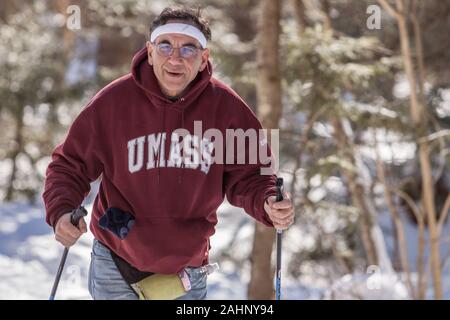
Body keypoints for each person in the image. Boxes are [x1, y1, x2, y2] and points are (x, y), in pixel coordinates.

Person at [43, 5, 294, 300]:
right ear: (150, 52)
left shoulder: (226, 109)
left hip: (186, 271)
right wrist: (61, 211)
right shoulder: (114, 103)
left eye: (189, 48)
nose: (175, 58)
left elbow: (252, 174)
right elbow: (69, 165)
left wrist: (267, 201)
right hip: (116, 262)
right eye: (166, 46)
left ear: (204, 59)